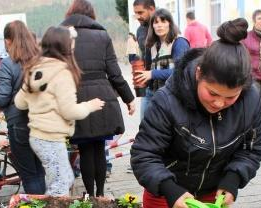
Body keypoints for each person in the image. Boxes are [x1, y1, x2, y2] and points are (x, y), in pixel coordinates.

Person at [130, 18, 261, 208]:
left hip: (209, 197)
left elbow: (252, 148)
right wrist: (169, 188)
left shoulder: (251, 100)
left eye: (230, 97)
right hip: (166, 195)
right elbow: (144, 154)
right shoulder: (168, 100)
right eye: (213, 93)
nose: (219, 103)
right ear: (199, 74)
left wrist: (232, 181)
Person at [15, 26, 104, 196]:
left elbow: (20, 103)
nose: (74, 46)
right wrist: (89, 106)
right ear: (65, 46)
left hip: (38, 137)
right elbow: (69, 111)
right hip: (50, 137)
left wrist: (38, 101)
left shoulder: (34, 69)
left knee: (63, 180)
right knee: (61, 184)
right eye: (72, 42)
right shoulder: (62, 73)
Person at [62, 0, 136, 197]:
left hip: (75, 96)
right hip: (102, 96)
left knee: (85, 149)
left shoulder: (61, 35)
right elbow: (115, 73)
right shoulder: (102, 35)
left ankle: (90, 194)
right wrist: (129, 98)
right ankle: (102, 194)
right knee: (99, 148)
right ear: (91, 15)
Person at [0, 20, 46, 195]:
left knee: (29, 175)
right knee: (39, 171)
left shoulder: (8, 64)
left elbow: (0, 100)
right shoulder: (41, 60)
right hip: (42, 123)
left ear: (8, 41)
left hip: (19, 125)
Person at [134, 8, 190, 116]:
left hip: (173, 95)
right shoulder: (151, 45)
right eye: (156, 22)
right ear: (152, 26)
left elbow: (181, 72)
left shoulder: (179, 42)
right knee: (145, 126)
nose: (159, 25)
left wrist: (152, 74)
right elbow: (148, 69)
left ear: (170, 23)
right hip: (151, 93)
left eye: (163, 21)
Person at [133, 0, 156, 118]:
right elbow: (143, 55)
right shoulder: (140, 30)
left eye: (140, 12)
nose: (138, 16)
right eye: (135, 13)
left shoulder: (162, 28)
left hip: (164, 87)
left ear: (152, 9)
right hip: (148, 87)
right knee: (144, 125)